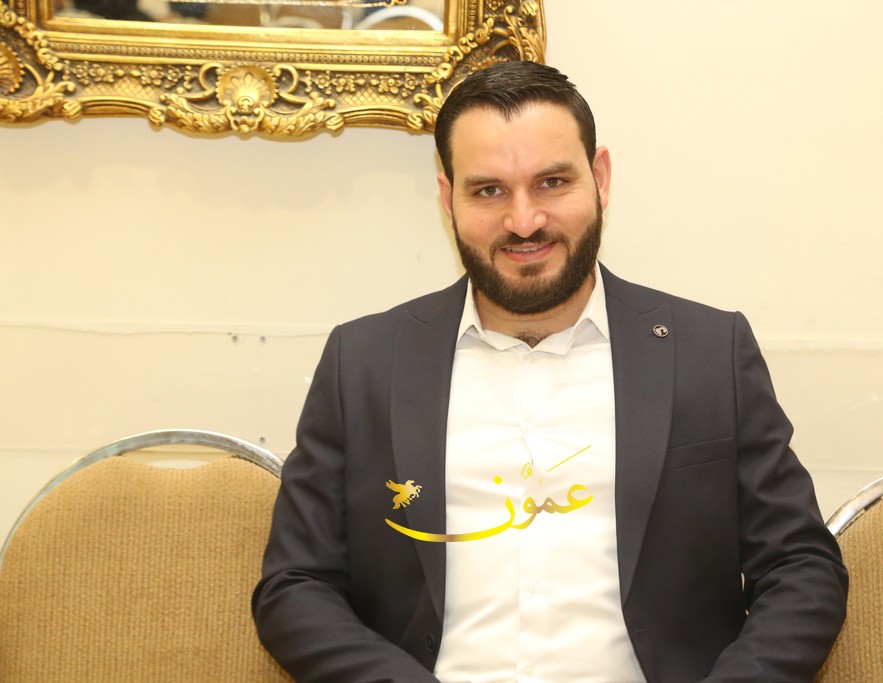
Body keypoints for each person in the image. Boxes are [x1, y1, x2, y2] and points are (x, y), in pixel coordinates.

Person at [252, 60, 848, 683]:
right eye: (488, 191)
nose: (524, 220)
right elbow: (296, 584)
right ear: (448, 199)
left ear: (600, 179)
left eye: (552, 182)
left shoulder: (708, 351)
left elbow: (801, 567)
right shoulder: (364, 362)